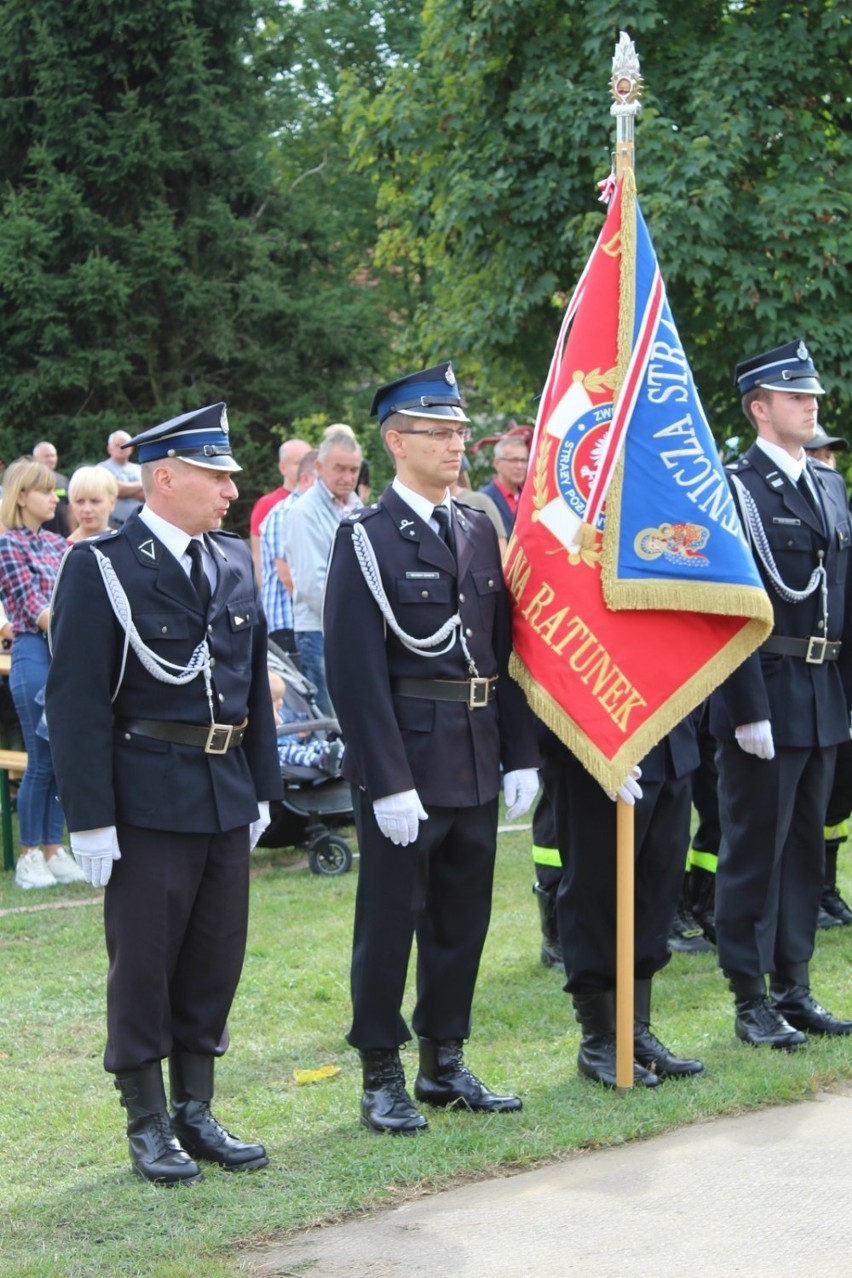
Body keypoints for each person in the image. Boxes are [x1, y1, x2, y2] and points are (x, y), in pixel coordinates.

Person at [46, 403, 282, 1185]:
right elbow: (76, 700)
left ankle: (196, 1109)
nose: (228, 490)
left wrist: (263, 791)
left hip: (223, 788)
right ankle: (147, 1119)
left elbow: (250, 690)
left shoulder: (232, 560)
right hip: (145, 793)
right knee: (144, 962)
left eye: (230, 478)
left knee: (216, 956)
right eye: (216, 476)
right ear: (164, 478)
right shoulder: (103, 564)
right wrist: (90, 819)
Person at [324, 360, 540, 1135]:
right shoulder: (367, 538)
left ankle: (444, 1062)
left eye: (459, 431)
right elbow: (353, 674)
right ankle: (381, 1073)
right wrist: (386, 779)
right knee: (388, 921)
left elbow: (504, 651)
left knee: (461, 918)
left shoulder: (478, 527)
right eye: (440, 432)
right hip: (408, 761)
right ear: (395, 440)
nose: (458, 444)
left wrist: (520, 754)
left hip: (476, 753)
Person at [710, 339, 852, 1047]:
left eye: (813, 395)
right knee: (753, 849)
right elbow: (730, 608)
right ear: (760, 409)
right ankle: (748, 996)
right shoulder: (734, 489)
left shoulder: (827, 484)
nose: (811, 404)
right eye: (796, 395)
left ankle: (794, 984)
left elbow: (843, 596)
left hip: (822, 689)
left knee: (805, 849)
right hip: (765, 687)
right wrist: (746, 708)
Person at [539, 718, 704, 1088]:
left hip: (668, 732)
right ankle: (599, 1041)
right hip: (597, 733)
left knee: (657, 885)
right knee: (595, 886)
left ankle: (635, 1032)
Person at [0, 458, 82, 889]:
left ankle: (54, 849)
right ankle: (30, 855)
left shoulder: (56, 545)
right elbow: (33, 607)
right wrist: (79, 635)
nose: (55, 498)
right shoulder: (7, 544)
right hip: (34, 654)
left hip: (62, 653)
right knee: (40, 757)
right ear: (22, 496)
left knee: (60, 757)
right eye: (46, 491)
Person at [282, 426, 362, 715]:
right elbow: (312, 585)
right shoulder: (304, 512)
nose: (347, 477)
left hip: (350, 631)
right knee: (332, 725)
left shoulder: (356, 505)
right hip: (321, 632)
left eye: (353, 470)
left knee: (354, 719)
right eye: (339, 468)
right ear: (318, 467)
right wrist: (357, 623)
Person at [260, 448, 318, 655]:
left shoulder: (313, 511)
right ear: (306, 479)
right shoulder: (284, 513)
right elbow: (288, 578)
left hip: (306, 622)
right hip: (287, 624)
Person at [249, 438, 311, 580]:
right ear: (283, 467)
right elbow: (258, 560)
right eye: (298, 463)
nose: (305, 469)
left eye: (309, 463)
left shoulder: (319, 502)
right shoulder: (267, 505)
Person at [477, 435, 529, 537]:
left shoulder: (530, 497)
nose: (519, 466)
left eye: (523, 460)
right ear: (496, 463)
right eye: (513, 460)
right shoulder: (484, 499)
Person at [98, 430, 144, 527]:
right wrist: (141, 484)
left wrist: (123, 492)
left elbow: (148, 494)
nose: (121, 448)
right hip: (112, 523)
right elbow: (115, 488)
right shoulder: (101, 469)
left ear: (131, 448)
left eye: (125, 445)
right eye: (117, 445)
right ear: (109, 449)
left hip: (139, 522)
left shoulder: (140, 468)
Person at [32, 440, 74, 538]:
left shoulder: (63, 480)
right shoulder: (30, 481)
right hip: (39, 536)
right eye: (47, 456)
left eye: (53, 456)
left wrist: (73, 533)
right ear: (35, 459)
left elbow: (70, 508)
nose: (51, 459)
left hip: (63, 536)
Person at [67, 466, 119, 542]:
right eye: (79, 501)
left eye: (95, 501)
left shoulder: (125, 545)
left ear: (112, 503)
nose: (87, 509)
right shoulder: (62, 550)